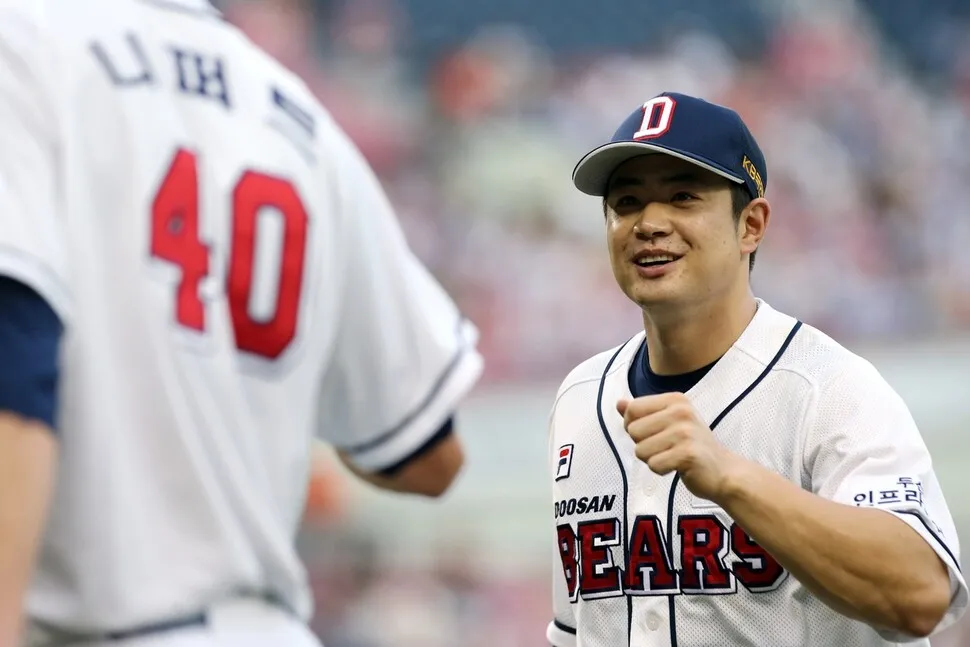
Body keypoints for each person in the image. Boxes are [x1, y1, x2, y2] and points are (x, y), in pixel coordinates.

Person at [0, 1, 483, 645]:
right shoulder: (296, 114)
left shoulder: (23, 42)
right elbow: (430, 454)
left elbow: (13, 368)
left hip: (101, 626)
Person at [546, 91, 967, 647]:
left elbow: (921, 596)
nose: (649, 223)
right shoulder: (580, 398)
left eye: (682, 196)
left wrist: (730, 477)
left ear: (751, 225)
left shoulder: (830, 388)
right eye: (626, 202)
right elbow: (576, 632)